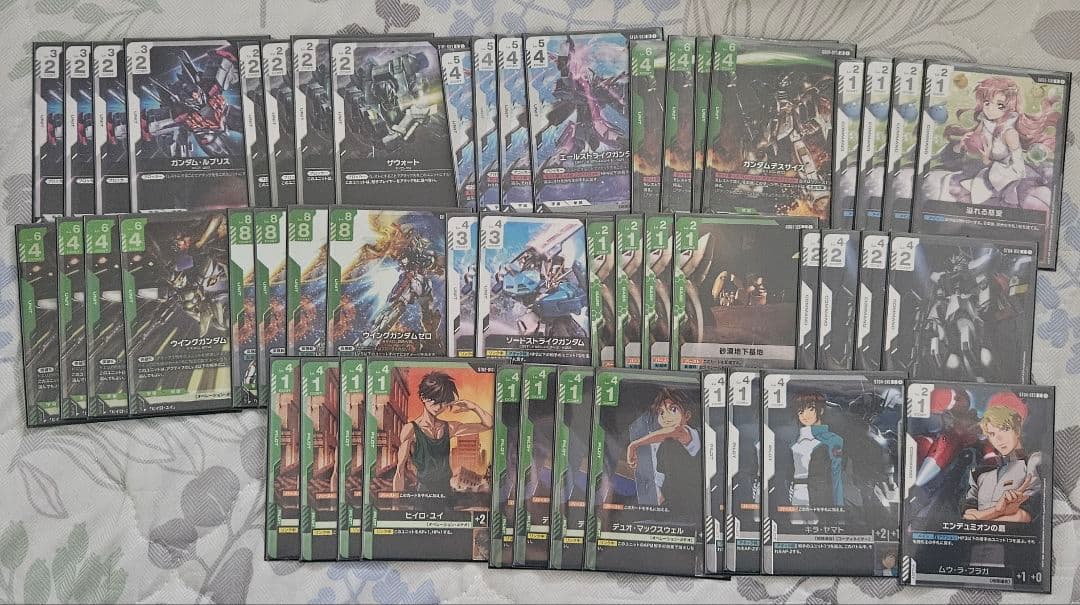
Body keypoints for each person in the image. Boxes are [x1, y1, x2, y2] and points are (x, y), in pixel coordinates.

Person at [393, 371, 493, 496]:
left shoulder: (449, 427)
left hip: (446, 493)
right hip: (423, 493)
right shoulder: (410, 429)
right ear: (423, 397)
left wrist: (473, 407)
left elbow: (489, 424)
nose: (439, 407)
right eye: (434, 401)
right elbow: (400, 471)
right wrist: (395, 503)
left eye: (443, 402)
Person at [962, 391, 1041, 523]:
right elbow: (967, 516)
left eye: (1004, 428)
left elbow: (1023, 517)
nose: (999, 439)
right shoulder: (979, 474)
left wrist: (980, 517)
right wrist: (998, 511)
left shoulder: (1033, 462)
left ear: (1017, 429)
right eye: (992, 433)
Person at [626, 388, 701, 516]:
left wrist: (634, 444)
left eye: (673, 409)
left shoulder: (687, 432)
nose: (666, 417)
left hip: (693, 502)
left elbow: (674, 431)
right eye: (661, 412)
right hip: (672, 504)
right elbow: (660, 477)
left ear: (687, 416)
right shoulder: (662, 445)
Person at [789, 392, 844, 507]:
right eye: (800, 411)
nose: (805, 415)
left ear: (821, 411)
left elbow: (836, 474)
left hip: (821, 497)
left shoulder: (833, 440)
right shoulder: (796, 439)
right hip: (797, 495)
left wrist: (839, 506)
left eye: (810, 409)